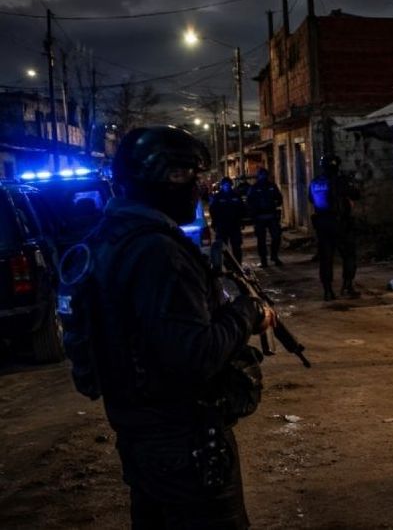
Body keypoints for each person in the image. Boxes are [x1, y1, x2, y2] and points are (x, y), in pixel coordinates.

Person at [84, 126, 274, 529]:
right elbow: (194, 355)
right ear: (167, 178)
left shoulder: (113, 236)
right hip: (184, 443)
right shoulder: (158, 251)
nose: (199, 188)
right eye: (192, 176)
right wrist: (248, 313)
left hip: (144, 436)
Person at [308, 154, 361, 300]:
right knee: (349, 255)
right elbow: (356, 194)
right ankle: (347, 285)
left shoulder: (315, 182)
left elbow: (311, 199)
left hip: (322, 224)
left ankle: (328, 291)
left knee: (326, 259)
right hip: (340, 223)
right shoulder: (341, 180)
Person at [246, 168, 283, 267]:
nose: (263, 177)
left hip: (271, 216)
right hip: (259, 217)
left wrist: (275, 203)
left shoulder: (272, 186)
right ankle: (263, 260)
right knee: (261, 240)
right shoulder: (254, 188)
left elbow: (279, 198)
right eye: (261, 175)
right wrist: (253, 214)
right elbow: (249, 202)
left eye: (265, 175)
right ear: (258, 176)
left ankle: (274, 256)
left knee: (276, 237)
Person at [209, 176, 246, 263]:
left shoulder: (236, 196)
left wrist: (241, 221)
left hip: (234, 225)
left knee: (236, 247)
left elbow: (242, 209)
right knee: (223, 248)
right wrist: (214, 222)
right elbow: (213, 210)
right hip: (222, 226)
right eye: (225, 185)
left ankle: (238, 265)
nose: (227, 186)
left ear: (231, 185)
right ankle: (226, 265)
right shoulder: (218, 197)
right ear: (222, 186)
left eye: (228, 184)